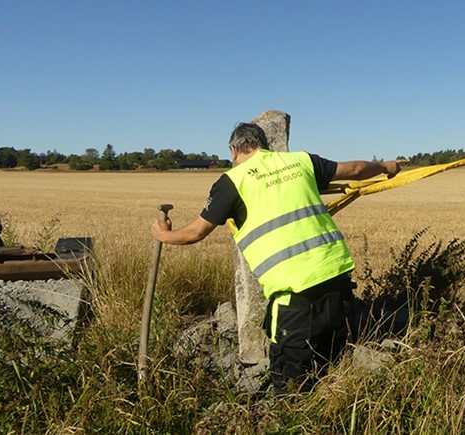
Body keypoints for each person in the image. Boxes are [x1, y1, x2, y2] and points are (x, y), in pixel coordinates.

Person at [151, 122, 403, 392]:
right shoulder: (301, 161)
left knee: (291, 387)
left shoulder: (232, 182)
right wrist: (386, 167)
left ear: (234, 150)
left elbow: (196, 232)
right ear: (265, 144)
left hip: (295, 298)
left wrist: (164, 235)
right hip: (338, 284)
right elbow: (354, 170)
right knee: (333, 373)